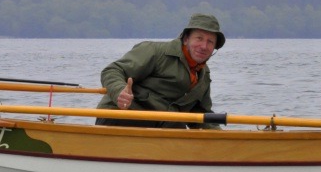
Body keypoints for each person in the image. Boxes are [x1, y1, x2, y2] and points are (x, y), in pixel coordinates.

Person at [95, 14, 225, 128]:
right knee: (175, 126)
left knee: (177, 126)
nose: (204, 46)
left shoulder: (204, 76)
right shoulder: (155, 52)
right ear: (186, 39)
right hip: (119, 118)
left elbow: (200, 114)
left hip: (164, 128)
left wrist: (223, 138)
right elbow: (112, 70)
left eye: (210, 42)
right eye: (199, 38)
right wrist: (119, 92)